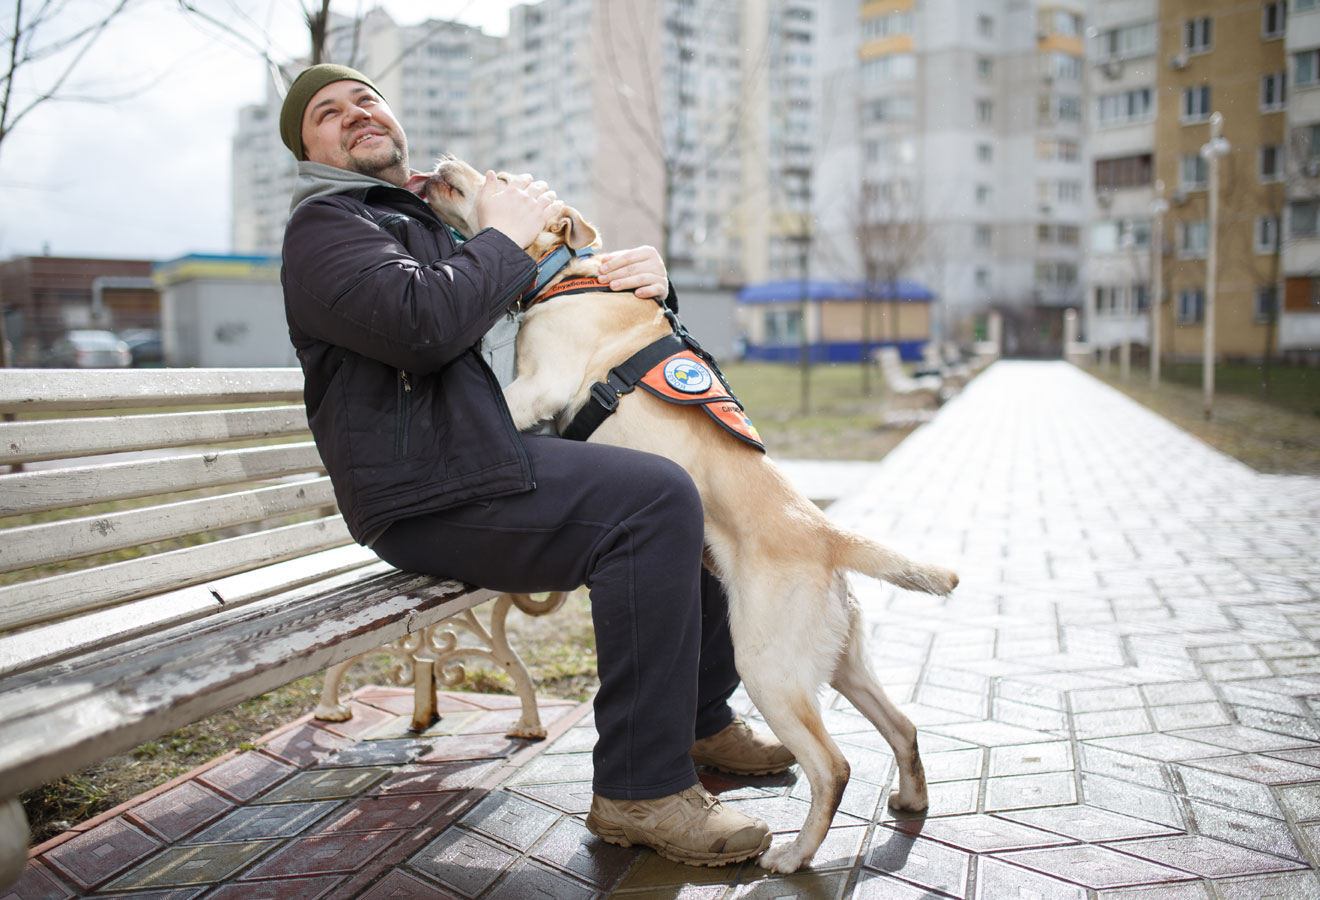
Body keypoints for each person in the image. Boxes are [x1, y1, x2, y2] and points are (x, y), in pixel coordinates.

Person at [278, 64, 794, 867]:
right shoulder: (327, 228)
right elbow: (423, 323)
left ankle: (700, 719)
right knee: (652, 502)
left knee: (687, 480)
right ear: (305, 151)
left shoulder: (428, 217)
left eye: (365, 98)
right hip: (427, 492)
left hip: (486, 458)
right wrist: (503, 237)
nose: (354, 114)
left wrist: (640, 283)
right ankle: (638, 788)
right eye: (326, 113)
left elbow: (552, 328)